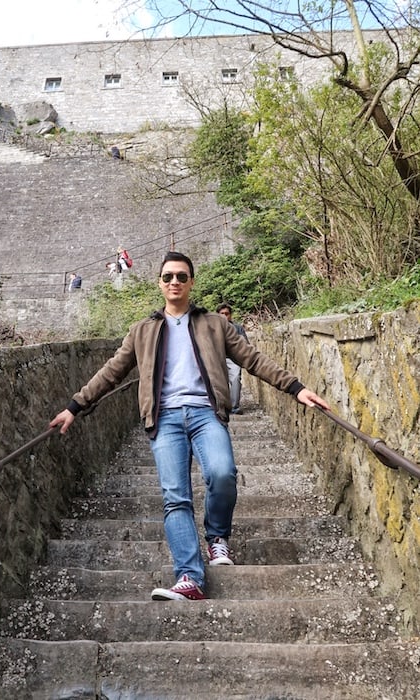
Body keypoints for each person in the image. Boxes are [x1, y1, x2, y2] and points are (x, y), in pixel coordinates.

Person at [50, 251, 330, 602]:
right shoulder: (143, 331)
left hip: (205, 414)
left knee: (223, 472)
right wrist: (75, 407)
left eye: (181, 277)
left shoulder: (215, 324)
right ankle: (189, 577)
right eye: (168, 277)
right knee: (175, 497)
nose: (174, 283)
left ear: (192, 282)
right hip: (164, 419)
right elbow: (110, 373)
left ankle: (217, 538)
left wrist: (296, 388)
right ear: (160, 283)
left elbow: (252, 359)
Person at [217, 302, 248, 415]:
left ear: (230, 315)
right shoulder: (212, 328)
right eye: (222, 313)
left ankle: (234, 406)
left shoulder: (238, 328)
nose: (225, 316)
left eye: (227, 313)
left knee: (235, 379)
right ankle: (221, 406)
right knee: (219, 382)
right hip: (218, 359)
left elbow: (245, 344)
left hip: (234, 359)